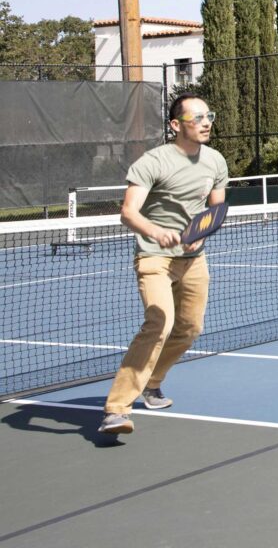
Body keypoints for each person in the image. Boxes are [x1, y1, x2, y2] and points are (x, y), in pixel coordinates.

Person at [98, 95, 228, 436]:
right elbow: (129, 211)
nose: (206, 122)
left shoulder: (215, 161)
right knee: (160, 322)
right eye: (196, 116)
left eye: (208, 115)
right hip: (154, 257)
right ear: (175, 125)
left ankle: (152, 383)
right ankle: (116, 409)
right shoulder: (152, 162)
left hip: (193, 259)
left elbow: (216, 209)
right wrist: (158, 232)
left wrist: (201, 234)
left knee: (189, 329)